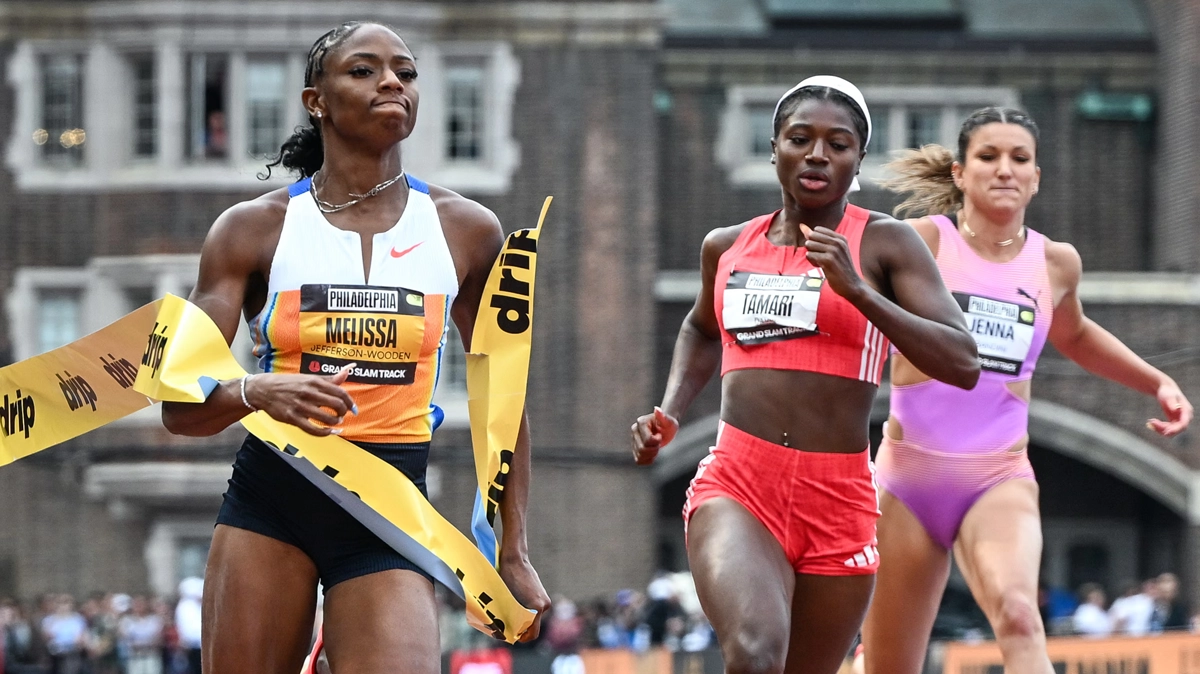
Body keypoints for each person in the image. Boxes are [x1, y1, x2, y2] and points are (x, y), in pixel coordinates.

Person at [159, 21, 550, 674]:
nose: (392, 81)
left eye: (406, 70)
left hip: (390, 508)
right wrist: (253, 391)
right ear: (317, 100)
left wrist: (512, 550)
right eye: (364, 70)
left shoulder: (468, 231)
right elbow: (178, 406)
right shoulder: (252, 230)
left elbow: (502, 404)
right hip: (271, 503)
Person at [631, 76, 980, 674]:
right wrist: (670, 409)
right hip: (739, 484)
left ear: (857, 160)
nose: (818, 154)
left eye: (837, 144)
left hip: (838, 496)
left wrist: (859, 292)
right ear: (774, 148)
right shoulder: (726, 246)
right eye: (800, 138)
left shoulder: (884, 244)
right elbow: (699, 327)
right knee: (756, 653)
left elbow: (963, 362)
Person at [861, 107, 1193, 674]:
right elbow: (852, 317)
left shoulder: (1056, 263)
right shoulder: (919, 245)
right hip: (905, 478)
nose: (1005, 169)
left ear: (1037, 177)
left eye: (1020, 159)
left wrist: (1156, 380)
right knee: (889, 664)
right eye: (988, 157)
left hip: (997, 475)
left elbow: (1077, 335)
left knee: (1019, 614)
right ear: (960, 174)